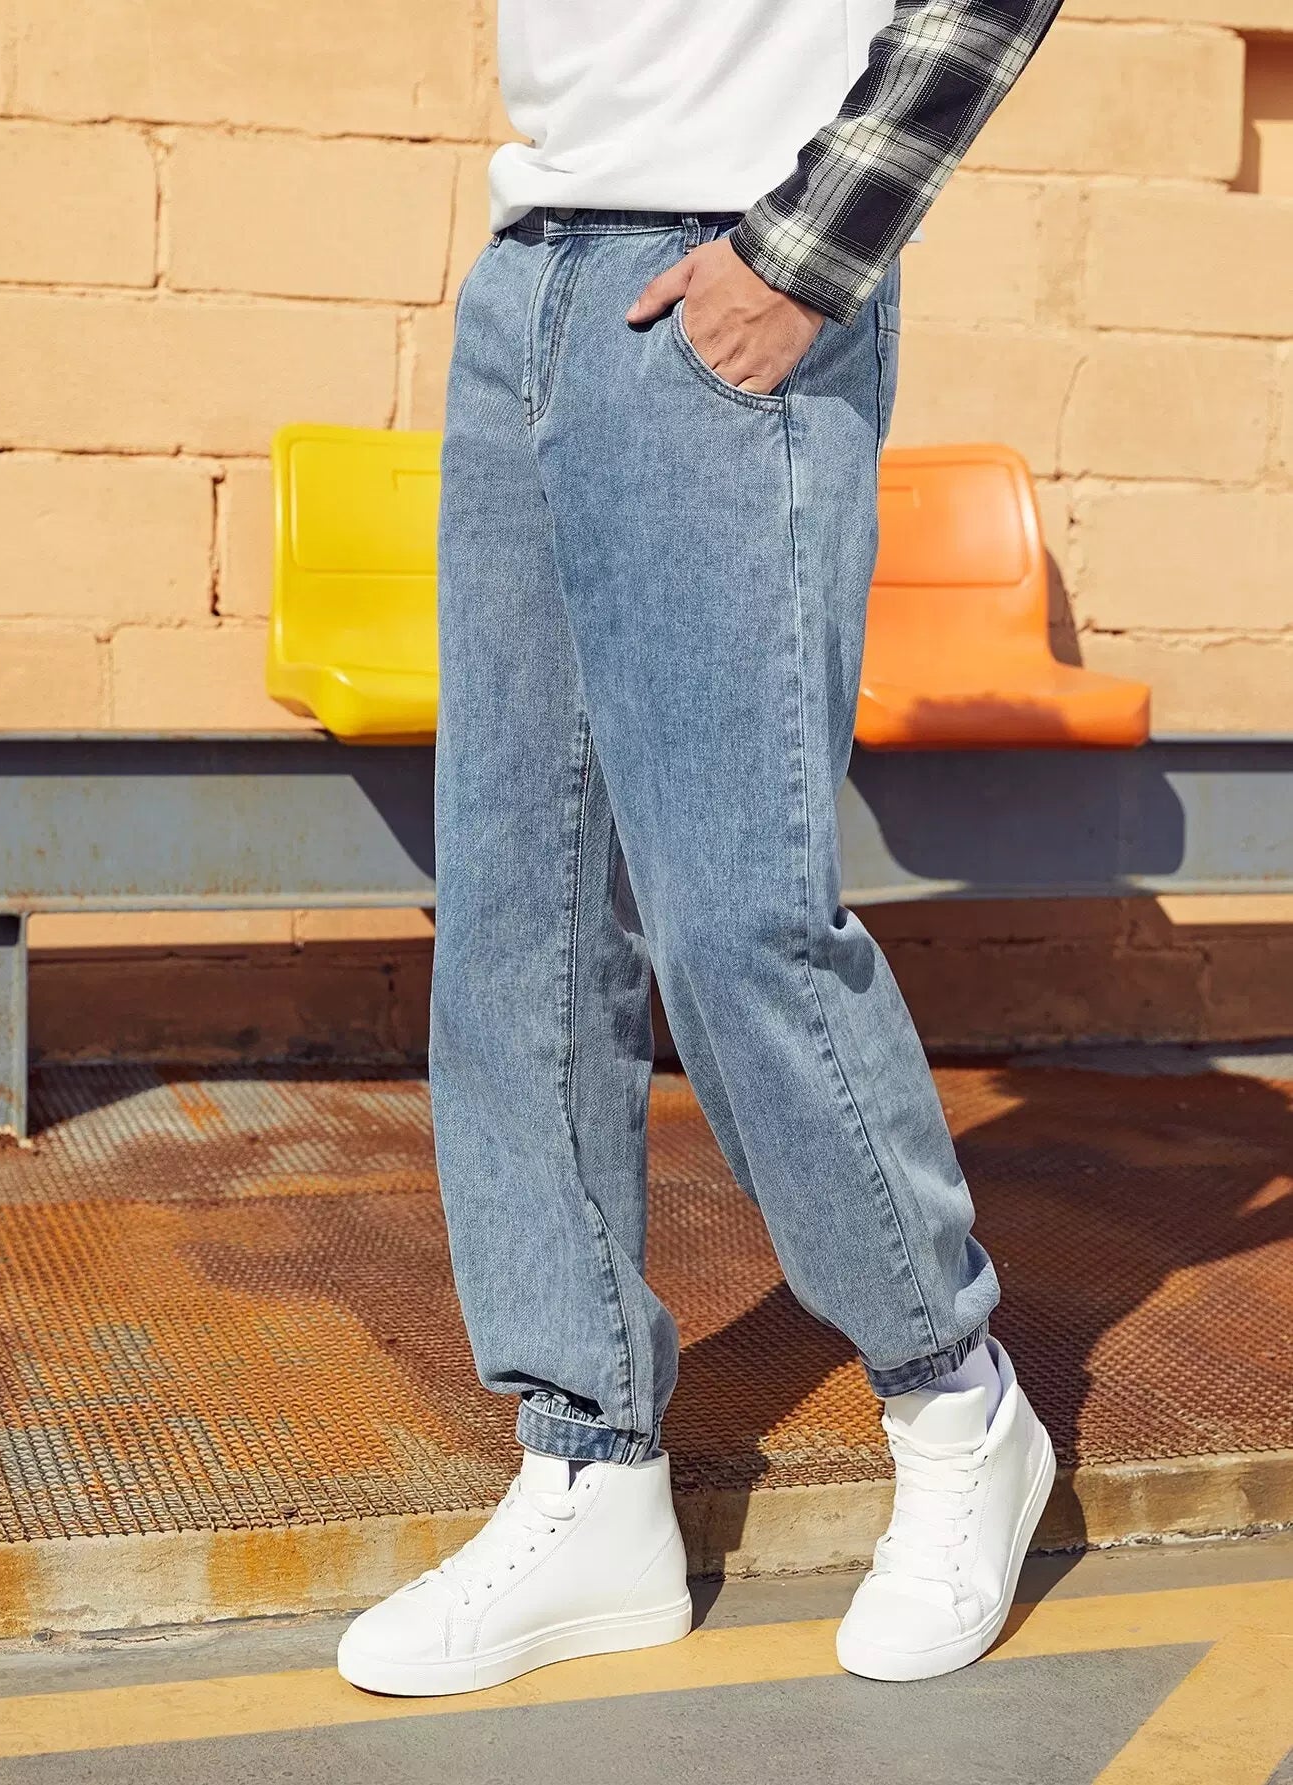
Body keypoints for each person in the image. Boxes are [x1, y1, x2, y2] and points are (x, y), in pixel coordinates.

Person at [338, 0, 1062, 1696]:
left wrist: (806, 254)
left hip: (736, 271)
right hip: (533, 275)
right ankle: (587, 1466)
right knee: (517, 920)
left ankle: (957, 1404)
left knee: (737, 916)